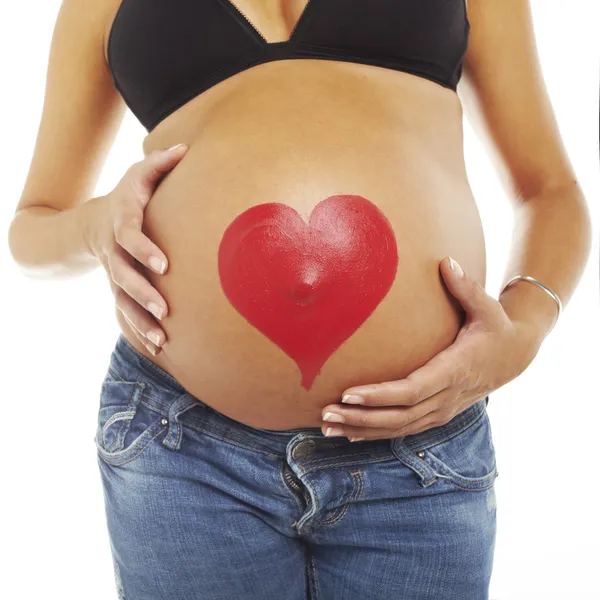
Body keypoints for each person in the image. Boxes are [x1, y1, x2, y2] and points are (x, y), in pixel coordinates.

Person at [7, 0, 592, 599]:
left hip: (420, 451)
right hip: (183, 447)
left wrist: (523, 333)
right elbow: (31, 229)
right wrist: (96, 225)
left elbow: (550, 190)